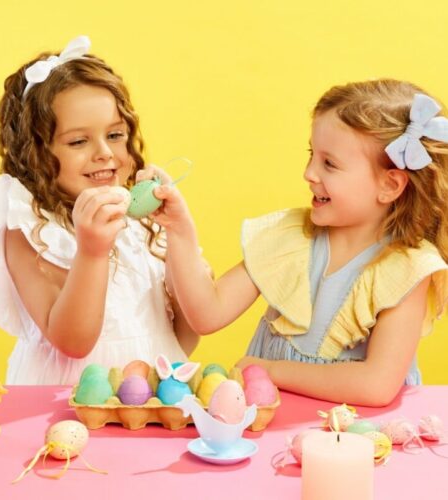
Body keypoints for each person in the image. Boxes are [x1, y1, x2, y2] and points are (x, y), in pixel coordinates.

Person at [148, 79, 448, 407]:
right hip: (273, 423)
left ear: (389, 185)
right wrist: (179, 230)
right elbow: (207, 314)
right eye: (312, 155)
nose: (309, 173)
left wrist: (272, 371)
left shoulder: (407, 269)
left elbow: (375, 386)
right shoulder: (291, 237)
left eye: (329, 163)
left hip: (352, 430)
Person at [0, 36, 198, 385]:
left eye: (115, 135)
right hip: (65, 398)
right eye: (78, 141)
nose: (104, 153)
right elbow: (73, 341)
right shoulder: (32, 228)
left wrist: (182, 247)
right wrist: (92, 251)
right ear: (35, 153)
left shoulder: (142, 223)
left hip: (149, 397)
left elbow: (180, 339)